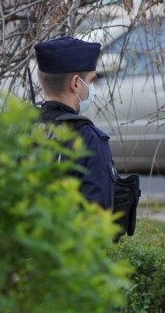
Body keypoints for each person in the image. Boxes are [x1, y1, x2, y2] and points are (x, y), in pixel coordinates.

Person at [36, 36, 115, 210]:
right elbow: (98, 214)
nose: (92, 87)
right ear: (76, 83)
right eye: (91, 80)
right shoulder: (89, 139)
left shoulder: (20, 128)